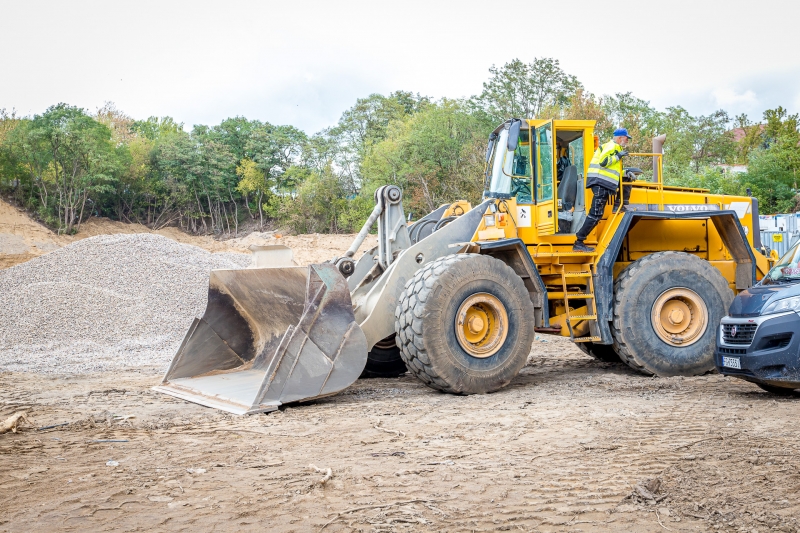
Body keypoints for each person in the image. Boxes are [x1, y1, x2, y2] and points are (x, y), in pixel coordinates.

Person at [572, 128, 631, 252]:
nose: (627, 141)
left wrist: (626, 172)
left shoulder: (614, 148)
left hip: (601, 182)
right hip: (600, 183)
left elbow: (613, 170)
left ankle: (618, 205)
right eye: (626, 138)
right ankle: (579, 242)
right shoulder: (613, 147)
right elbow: (604, 162)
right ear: (620, 138)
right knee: (595, 215)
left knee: (596, 214)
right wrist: (618, 156)